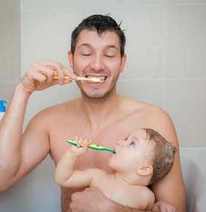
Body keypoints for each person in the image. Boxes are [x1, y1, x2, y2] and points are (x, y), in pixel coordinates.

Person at [0, 14, 186, 212]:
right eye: (86, 53)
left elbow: (177, 209)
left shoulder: (155, 120)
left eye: (109, 55)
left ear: (122, 62)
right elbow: (2, 179)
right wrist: (23, 91)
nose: (97, 65)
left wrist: (116, 209)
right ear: (71, 59)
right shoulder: (48, 121)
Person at [55, 128, 176, 211]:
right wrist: (71, 154)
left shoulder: (146, 197)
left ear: (144, 169)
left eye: (132, 143)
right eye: (125, 138)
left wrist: (159, 207)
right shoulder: (97, 177)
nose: (120, 142)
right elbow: (64, 179)